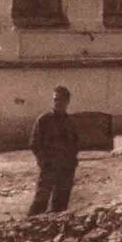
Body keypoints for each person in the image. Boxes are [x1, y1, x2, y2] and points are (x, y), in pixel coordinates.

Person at [27, 85, 80, 216]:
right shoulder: (44, 120)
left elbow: (76, 143)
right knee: (40, 202)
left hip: (66, 168)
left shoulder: (70, 122)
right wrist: (43, 161)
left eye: (61, 100)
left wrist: (72, 161)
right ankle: (30, 225)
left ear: (67, 102)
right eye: (55, 99)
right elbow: (34, 143)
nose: (58, 103)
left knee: (61, 205)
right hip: (49, 167)